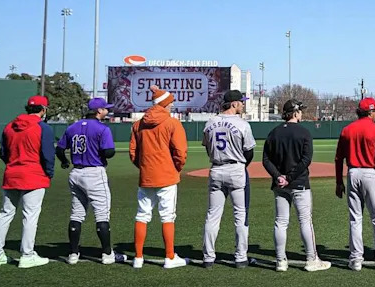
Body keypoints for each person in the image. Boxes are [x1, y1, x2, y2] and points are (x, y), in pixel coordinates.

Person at [263, 100, 331, 272]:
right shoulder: (304, 132)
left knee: (281, 222)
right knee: (305, 221)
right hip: (299, 183)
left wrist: (279, 177)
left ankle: (280, 261)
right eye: (300, 111)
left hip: (280, 186)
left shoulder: (274, 133)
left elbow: (266, 160)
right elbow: (306, 160)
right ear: (294, 113)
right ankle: (311, 259)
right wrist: (290, 177)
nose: (301, 113)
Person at [0, 96, 55, 269]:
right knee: (30, 216)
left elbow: (4, 153)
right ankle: (27, 255)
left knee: (5, 214)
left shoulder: (9, 126)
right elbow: (48, 155)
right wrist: (49, 173)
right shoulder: (43, 127)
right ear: (43, 109)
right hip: (34, 175)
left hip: (12, 174)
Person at [56, 97, 125, 265]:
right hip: (94, 173)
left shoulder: (72, 127)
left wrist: (65, 162)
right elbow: (109, 152)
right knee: (102, 214)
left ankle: (73, 254)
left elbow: (59, 149)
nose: (107, 111)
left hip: (76, 173)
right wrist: (100, 154)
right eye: (105, 109)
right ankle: (107, 254)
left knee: (77, 214)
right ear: (98, 111)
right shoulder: (102, 128)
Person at [129, 85, 189, 269]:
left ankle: (138, 257)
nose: (172, 106)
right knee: (167, 216)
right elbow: (180, 152)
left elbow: (133, 153)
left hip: (146, 176)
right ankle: (169, 257)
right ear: (164, 104)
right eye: (170, 103)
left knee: (142, 215)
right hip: (167, 176)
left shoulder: (138, 124)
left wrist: (145, 167)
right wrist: (175, 168)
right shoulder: (172, 123)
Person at [335, 97, 375, 271]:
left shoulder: (347, 130)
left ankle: (355, 259)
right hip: (370, 175)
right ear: (370, 112)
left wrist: (339, 181)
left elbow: (339, 158)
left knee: (355, 218)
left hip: (352, 173)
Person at [201, 90, 256, 268]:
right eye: (241, 102)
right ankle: (240, 257)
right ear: (233, 104)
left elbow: (207, 148)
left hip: (216, 168)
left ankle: (208, 257)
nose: (243, 104)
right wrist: (240, 166)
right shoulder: (242, 124)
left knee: (213, 216)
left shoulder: (210, 122)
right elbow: (249, 152)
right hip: (236, 169)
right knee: (240, 215)